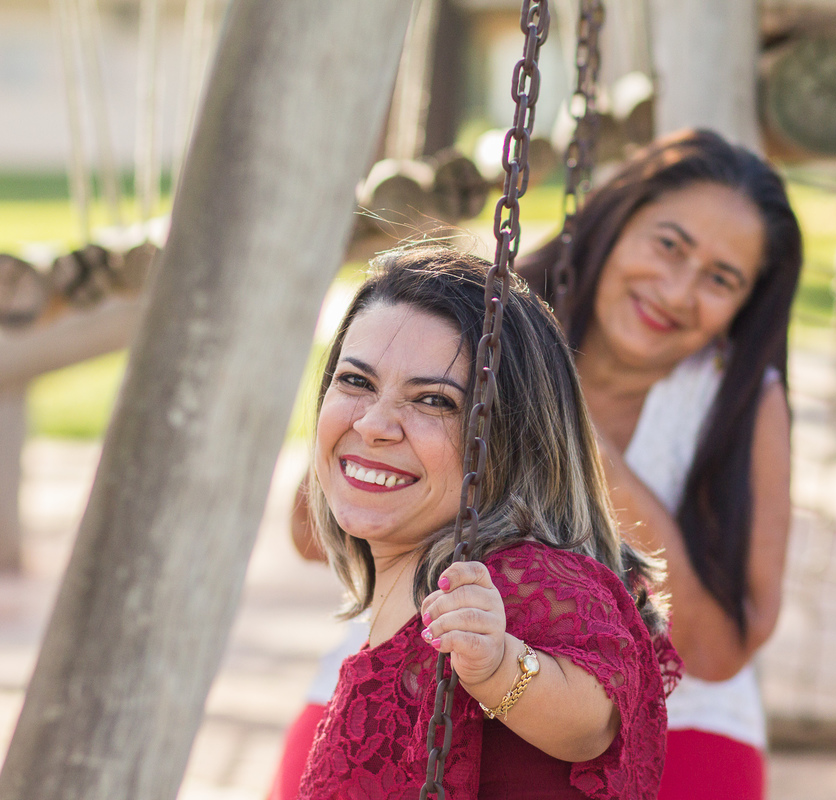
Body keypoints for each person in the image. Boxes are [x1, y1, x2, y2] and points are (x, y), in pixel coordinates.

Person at [293, 246, 680, 800]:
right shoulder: (415, 583)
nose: (375, 424)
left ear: (512, 439)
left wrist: (499, 666)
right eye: (356, 382)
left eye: (433, 400)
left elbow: (594, 723)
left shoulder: (517, 576)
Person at [519, 128, 802, 800]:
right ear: (617, 221)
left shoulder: (741, 406)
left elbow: (713, 656)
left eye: (721, 278)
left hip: (674, 715)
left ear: (743, 306)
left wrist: (592, 457)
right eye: (668, 245)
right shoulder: (486, 325)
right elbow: (311, 533)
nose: (676, 291)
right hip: (451, 673)